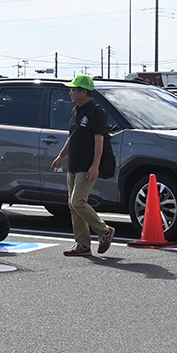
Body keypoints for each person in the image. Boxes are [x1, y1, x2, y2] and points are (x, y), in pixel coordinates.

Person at [50, 73, 114, 256]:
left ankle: (104, 231)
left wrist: (95, 165)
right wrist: (62, 156)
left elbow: (99, 139)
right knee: (73, 205)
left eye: (73, 89)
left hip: (87, 165)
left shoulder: (96, 111)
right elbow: (73, 136)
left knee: (78, 201)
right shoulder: (76, 111)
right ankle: (82, 244)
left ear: (83, 91)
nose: (70, 93)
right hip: (74, 163)